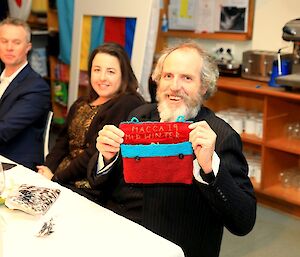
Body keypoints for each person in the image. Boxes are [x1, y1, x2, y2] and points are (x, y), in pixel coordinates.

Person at [87, 41, 257, 257]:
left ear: (204, 86)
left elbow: (244, 221)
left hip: (173, 247)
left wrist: (210, 168)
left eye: (187, 78)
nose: (175, 86)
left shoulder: (220, 137)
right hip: (121, 237)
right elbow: (97, 181)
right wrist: (106, 157)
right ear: (158, 81)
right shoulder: (139, 117)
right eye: (168, 76)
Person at [37, 42, 144, 203]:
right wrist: (47, 168)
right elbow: (62, 140)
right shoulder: (83, 102)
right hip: (61, 178)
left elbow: (94, 153)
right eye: (97, 70)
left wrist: (56, 178)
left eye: (111, 71)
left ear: (123, 74)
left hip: (89, 187)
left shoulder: (127, 103)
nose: (102, 78)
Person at [0, 17, 51, 170]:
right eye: (4, 41)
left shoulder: (36, 87)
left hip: (14, 164)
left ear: (28, 47)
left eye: (16, 42)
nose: (9, 47)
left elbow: (4, 130)